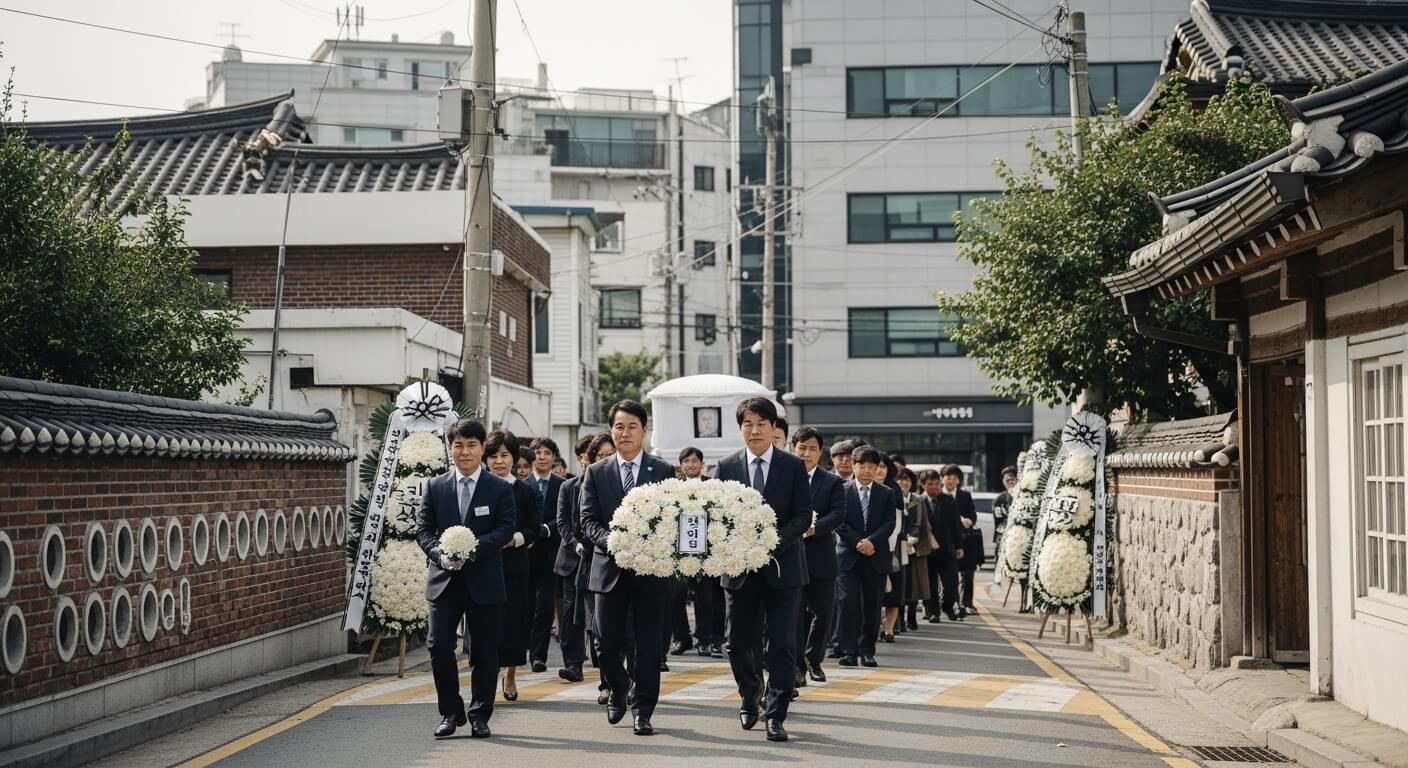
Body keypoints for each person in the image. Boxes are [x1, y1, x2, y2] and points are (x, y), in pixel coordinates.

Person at [714, 397, 812, 743]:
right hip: (739, 572)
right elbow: (716, 518)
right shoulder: (725, 467)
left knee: (783, 645)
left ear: (774, 429)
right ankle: (749, 695)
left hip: (783, 570)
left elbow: (803, 515)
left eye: (761, 424)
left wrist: (773, 541)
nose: (754, 431)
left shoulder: (792, 466)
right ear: (740, 428)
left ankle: (776, 714)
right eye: (747, 424)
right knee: (738, 643)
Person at [416, 419, 517, 739]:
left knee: (485, 651)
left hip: (484, 579)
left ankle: (479, 714)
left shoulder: (499, 488)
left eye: (471, 445)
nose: (464, 452)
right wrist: (441, 554)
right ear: (450, 449)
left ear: (482, 447)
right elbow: (423, 530)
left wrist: (471, 549)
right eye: (458, 445)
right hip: (444, 580)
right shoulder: (435, 487)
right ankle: (450, 711)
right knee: (438, 644)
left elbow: (504, 528)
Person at [579, 400, 674, 736]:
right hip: (609, 569)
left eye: (632, 426)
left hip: (650, 572)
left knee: (648, 646)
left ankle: (643, 710)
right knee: (604, 642)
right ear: (611, 430)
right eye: (619, 426)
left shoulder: (662, 471)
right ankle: (618, 688)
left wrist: (650, 545)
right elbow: (587, 520)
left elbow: (671, 520)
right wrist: (614, 542)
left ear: (644, 430)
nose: (625, 433)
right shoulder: (596, 472)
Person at [485, 430, 543, 701]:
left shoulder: (524, 491)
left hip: (516, 567)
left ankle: (510, 673)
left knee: (514, 623)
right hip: (483, 566)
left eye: (505, 455)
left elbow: (535, 527)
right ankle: (487, 671)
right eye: (494, 456)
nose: (499, 461)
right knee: (487, 625)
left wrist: (517, 539)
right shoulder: (479, 488)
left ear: (514, 458)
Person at [790, 426, 845, 687]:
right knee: (796, 614)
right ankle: (798, 665)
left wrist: (815, 527)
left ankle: (814, 658)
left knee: (824, 613)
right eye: (802, 448)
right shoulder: (786, 477)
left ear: (820, 452)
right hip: (791, 556)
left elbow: (838, 514)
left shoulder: (832, 482)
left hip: (821, 556)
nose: (806, 453)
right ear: (793, 448)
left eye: (812, 449)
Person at [835, 447, 894, 669]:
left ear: (877, 468)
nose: (867, 470)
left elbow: (889, 524)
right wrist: (859, 542)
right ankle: (849, 651)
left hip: (875, 556)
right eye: (862, 465)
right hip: (848, 557)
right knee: (848, 605)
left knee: (872, 606)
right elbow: (839, 520)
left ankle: (868, 651)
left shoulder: (886, 493)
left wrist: (872, 542)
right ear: (854, 465)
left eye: (872, 466)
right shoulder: (841, 490)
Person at [552, 435, 594, 684]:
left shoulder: (605, 485)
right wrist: (575, 543)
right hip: (571, 558)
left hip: (598, 557)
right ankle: (573, 664)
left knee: (596, 613)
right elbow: (562, 523)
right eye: (587, 458)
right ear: (580, 459)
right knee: (570, 614)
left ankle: (601, 660)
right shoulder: (568, 487)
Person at [669, 447, 717, 658]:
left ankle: (705, 639)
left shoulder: (712, 486)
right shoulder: (673, 487)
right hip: (679, 552)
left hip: (705, 552)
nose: (690, 464)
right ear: (681, 465)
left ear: (702, 464)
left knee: (705, 598)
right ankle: (682, 637)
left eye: (694, 461)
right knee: (675, 596)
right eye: (686, 461)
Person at [526, 437, 563, 674]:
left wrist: (546, 529)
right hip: (524, 553)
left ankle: (538, 656)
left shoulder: (562, 486)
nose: (542, 456)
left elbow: (565, 517)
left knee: (545, 605)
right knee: (525, 605)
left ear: (553, 457)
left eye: (546, 452)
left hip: (550, 553)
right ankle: (520, 651)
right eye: (537, 452)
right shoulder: (523, 484)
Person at [943, 465, 981, 615]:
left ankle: (967, 603)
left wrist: (969, 521)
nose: (950, 480)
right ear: (942, 479)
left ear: (958, 480)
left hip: (965, 539)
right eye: (948, 477)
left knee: (967, 573)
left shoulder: (965, 496)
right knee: (947, 575)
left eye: (954, 477)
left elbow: (972, 513)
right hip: (946, 541)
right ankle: (949, 602)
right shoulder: (937, 495)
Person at [876, 455, 906, 643]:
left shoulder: (893, 489)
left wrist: (886, 546)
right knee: (876, 591)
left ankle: (889, 629)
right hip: (870, 547)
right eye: (875, 466)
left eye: (882, 466)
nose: (879, 470)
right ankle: (877, 625)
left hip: (892, 547)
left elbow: (897, 523)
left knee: (894, 591)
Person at [903, 468, 936, 628]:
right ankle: (898, 620)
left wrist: (912, 538)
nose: (903, 483)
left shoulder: (915, 500)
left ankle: (911, 617)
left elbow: (917, 522)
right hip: (898, 546)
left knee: (915, 584)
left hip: (916, 547)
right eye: (900, 479)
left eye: (907, 480)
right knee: (900, 585)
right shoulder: (890, 496)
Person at [993, 465, 1017, 556]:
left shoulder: (1023, 496)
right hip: (1003, 537)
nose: (1010, 483)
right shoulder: (999, 499)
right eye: (1007, 480)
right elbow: (999, 522)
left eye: (1012, 480)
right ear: (1003, 481)